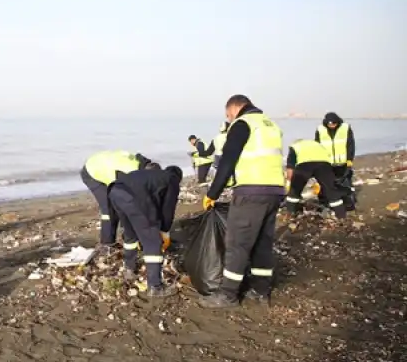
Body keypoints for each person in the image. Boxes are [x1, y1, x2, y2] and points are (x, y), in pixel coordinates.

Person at [200, 95, 285, 309]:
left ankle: (228, 295)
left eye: (228, 115)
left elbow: (228, 161)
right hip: (275, 190)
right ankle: (261, 291)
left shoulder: (242, 124)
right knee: (262, 243)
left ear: (236, 108)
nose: (229, 119)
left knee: (237, 243)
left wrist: (213, 193)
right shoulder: (269, 125)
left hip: (251, 192)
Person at [108, 165, 183, 298]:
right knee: (153, 242)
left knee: (130, 234)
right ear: (178, 176)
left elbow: (154, 201)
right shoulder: (172, 179)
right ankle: (155, 287)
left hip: (114, 191)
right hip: (134, 197)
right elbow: (168, 208)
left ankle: (129, 269)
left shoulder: (151, 176)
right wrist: (164, 232)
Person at [80, 151, 159, 251]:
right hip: (92, 172)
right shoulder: (129, 174)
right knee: (108, 209)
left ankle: (123, 236)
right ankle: (107, 243)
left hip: (103, 163)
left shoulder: (142, 164)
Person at [284, 140, 347, 219]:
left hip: (305, 164)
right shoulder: (318, 145)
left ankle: (290, 214)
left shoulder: (295, 145)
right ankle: (341, 216)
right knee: (331, 191)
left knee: (294, 191)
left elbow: (291, 161)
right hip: (324, 165)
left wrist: (291, 176)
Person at [314, 112, 356, 210]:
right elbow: (317, 146)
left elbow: (350, 144)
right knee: (325, 184)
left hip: (343, 162)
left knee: (345, 184)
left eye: (334, 124)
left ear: (337, 122)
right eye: (329, 124)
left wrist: (349, 159)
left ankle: (348, 203)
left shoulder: (345, 128)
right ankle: (324, 203)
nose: (332, 126)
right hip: (326, 163)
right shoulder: (320, 130)